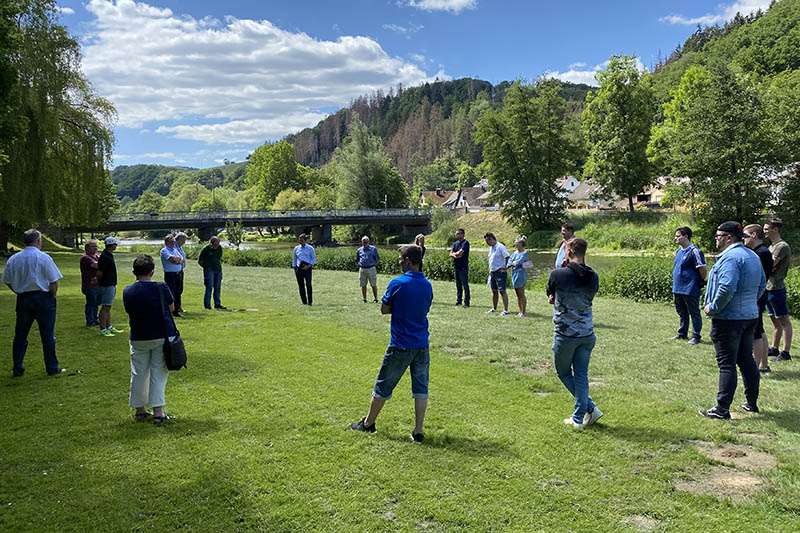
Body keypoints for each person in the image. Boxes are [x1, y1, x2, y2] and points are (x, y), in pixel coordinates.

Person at [350, 245, 433, 443]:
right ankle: (418, 431)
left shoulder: (398, 283)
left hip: (400, 344)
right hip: (422, 344)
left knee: (383, 385)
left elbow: (384, 309)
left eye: (401, 258)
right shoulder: (427, 284)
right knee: (421, 388)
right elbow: (425, 307)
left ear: (409, 260)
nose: (399, 261)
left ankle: (368, 424)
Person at [700, 222, 765, 419]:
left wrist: (713, 307)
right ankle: (751, 403)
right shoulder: (752, 255)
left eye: (718, 235)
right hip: (749, 316)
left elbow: (727, 287)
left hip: (728, 319)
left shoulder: (730, 258)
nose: (716, 239)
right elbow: (762, 285)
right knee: (746, 360)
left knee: (726, 363)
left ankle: (722, 409)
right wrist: (749, 304)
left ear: (729, 238)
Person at [546, 238, 601, 429]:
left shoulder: (558, 274)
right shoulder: (594, 276)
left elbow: (550, 295)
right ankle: (581, 416)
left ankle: (588, 410)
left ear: (568, 252)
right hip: (586, 333)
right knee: (581, 375)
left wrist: (563, 268)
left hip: (565, 334)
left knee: (563, 372)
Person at [2, 229, 66, 377]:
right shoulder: (44, 258)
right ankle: (51, 367)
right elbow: (54, 281)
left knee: (20, 335)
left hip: (24, 298)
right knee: (48, 335)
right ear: (38, 241)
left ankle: (17, 368)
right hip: (43, 297)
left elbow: (7, 281)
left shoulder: (14, 259)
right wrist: (52, 295)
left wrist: (18, 291)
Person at [122, 254, 176, 425]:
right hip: (161, 334)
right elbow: (171, 307)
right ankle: (158, 412)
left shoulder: (128, 291)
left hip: (138, 336)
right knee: (158, 373)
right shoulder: (161, 287)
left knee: (138, 373)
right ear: (152, 272)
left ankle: (139, 410)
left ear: (133, 272)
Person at [744, 224, 773, 373]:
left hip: (757, 296)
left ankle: (754, 368)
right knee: (759, 330)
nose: (743, 239)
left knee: (756, 333)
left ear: (754, 235)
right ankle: (763, 365)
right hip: (759, 295)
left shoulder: (761, 253)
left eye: (746, 235)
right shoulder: (761, 252)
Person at [670, 227, 707, 345]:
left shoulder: (694, 251)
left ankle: (696, 336)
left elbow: (702, 269)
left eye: (678, 236)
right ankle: (682, 333)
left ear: (686, 236)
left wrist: (699, 281)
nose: (675, 238)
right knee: (681, 311)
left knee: (694, 312)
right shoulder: (678, 251)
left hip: (690, 287)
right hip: (678, 287)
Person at [764, 219, 792, 362]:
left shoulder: (782, 246)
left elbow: (771, 265)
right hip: (768, 287)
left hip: (777, 288)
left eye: (767, 229)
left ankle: (785, 352)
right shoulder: (771, 246)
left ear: (776, 230)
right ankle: (774, 349)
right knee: (775, 321)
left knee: (784, 320)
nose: (764, 231)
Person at [98, 236, 124, 337]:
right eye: (115, 244)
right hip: (106, 284)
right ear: (111, 245)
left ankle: (109, 327)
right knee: (105, 307)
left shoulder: (108, 255)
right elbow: (100, 272)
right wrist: (99, 281)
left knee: (108, 307)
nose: (116, 246)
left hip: (111, 283)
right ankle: (103, 329)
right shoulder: (105, 256)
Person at [484, 232, 510, 315]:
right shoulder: (491, 248)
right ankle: (494, 308)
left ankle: (505, 310)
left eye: (488, 242)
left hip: (500, 273)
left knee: (502, 291)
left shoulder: (500, 247)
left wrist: (505, 268)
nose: (487, 244)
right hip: (492, 272)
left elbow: (507, 257)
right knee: (494, 291)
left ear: (491, 239)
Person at [198, 236, 225, 310]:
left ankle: (217, 304)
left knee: (217, 287)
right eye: (216, 243)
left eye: (218, 243)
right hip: (209, 270)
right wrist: (207, 267)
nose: (217, 245)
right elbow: (200, 261)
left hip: (218, 270)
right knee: (209, 287)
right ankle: (207, 306)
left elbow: (219, 258)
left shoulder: (219, 248)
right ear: (212, 243)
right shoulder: (206, 249)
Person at [160, 234, 184, 317]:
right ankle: (170, 310)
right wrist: (176, 260)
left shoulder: (175, 250)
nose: (173, 243)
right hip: (170, 274)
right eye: (171, 242)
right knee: (171, 292)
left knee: (178, 292)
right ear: (166, 242)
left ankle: (176, 310)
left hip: (178, 274)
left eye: (173, 242)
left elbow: (182, 259)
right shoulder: (164, 250)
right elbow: (171, 259)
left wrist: (177, 260)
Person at [80, 239, 101, 327]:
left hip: (97, 284)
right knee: (91, 304)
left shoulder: (96, 255)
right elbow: (97, 265)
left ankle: (95, 319)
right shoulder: (85, 257)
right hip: (89, 285)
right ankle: (90, 321)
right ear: (87, 248)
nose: (95, 248)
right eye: (93, 246)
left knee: (96, 303)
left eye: (96, 246)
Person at [292, 233, 316, 305]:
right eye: (299, 240)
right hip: (299, 268)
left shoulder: (310, 248)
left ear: (305, 240)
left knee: (308, 285)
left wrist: (309, 266)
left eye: (301, 240)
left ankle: (310, 302)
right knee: (301, 286)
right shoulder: (296, 248)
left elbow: (313, 258)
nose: (300, 242)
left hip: (307, 268)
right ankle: (304, 302)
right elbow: (294, 258)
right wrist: (294, 267)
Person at [508, 235, 529, 317]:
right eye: (515, 243)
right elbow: (510, 262)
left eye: (517, 243)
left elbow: (518, 262)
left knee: (521, 293)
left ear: (521, 244)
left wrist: (514, 262)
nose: (515, 245)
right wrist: (512, 263)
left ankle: (523, 312)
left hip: (520, 274)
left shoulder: (524, 253)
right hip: (514, 273)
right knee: (517, 294)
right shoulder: (514, 253)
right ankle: (520, 311)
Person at [449, 228, 470, 307]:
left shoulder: (465, 243)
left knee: (465, 285)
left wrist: (454, 254)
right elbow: (450, 253)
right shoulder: (455, 244)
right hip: (456, 267)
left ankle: (467, 302)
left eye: (458, 233)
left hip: (463, 268)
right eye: (456, 233)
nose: (456, 235)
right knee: (458, 285)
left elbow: (461, 253)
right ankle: (459, 301)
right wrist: (455, 255)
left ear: (462, 234)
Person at [356, 235, 380, 303]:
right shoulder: (359, 250)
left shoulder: (373, 249)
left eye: (366, 242)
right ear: (361, 242)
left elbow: (377, 259)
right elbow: (357, 259)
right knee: (363, 285)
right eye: (363, 242)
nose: (365, 243)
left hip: (371, 268)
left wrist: (374, 265)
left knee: (373, 284)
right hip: (362, 269)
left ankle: (375, 299)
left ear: (368, 242)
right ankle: (364, 299)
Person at [174, 232, 188, 314]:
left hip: (180, 270)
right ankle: (175, 307)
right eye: (184, 240)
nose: (184, 242)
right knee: (176, 289)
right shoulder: (174, 247)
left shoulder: (179, 247)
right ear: (179, 239)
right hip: (176, 270)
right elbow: (178, 258)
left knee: (179, 289)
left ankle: (178, 306)